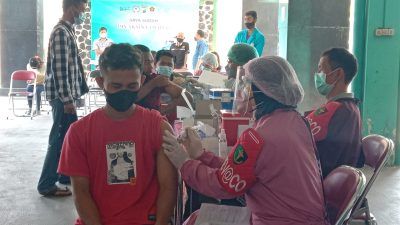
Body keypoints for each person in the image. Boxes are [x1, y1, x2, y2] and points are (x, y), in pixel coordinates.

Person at [163, 56, 328, 225]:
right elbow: (243, 170)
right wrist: (202, 155)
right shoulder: (297, 121)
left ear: (261, 90)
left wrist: (184, 163)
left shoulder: (258, 136)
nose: (241, 92)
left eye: (246, 85)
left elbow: (222, 185)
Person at [58, 43, 178, 225]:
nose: (124, 92)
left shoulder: (158, 127)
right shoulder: (79, 133)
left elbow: (168, 187)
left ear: (142, 82)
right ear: (101, 83)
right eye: (116, 86)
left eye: (132, 86)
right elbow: (80, 193)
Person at [37, 0, 89, 197]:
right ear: (72, 8)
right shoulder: (61, 32)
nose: (83, 12)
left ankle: (64, 175)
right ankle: (46, 184)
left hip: (66, 96)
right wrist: (67, 100)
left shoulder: (68, 31)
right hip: (62, 98)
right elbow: (60, 71)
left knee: (68, 137)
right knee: (58, 139)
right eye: (82, 8)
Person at [306, 47, 364, 178]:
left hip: (322, 183)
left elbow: (324, 159)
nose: (317, 74)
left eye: (321, 69)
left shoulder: (337, 110)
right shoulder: (350, 107)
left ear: (338, 74)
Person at [135, 48, 193, 124]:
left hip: (155, 123)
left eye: (151, 62)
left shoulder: (157, 79)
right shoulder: (128, 79)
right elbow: (130, 101)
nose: (151, 66)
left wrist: (162, 111)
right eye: (146, 62)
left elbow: (187, 97)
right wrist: (153, 84)